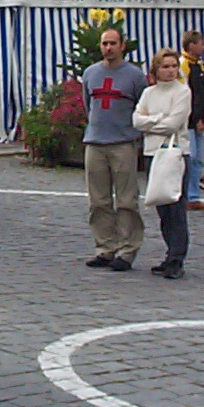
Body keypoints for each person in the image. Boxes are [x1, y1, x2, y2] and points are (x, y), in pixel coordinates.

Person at [81, 28, 147, 271]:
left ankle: (127, 250)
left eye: (113, 43)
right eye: (104, 43)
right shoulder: (91, 73)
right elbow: (88, 104)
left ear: (122, 46)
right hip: (95, 143)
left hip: (123, 144)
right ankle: (105, 247)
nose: (108, 48)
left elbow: (143, 106)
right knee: (98, 201)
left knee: (127, 200)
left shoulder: (134, 76)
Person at [132, 48, 193, 279]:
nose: (170, 71)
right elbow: (136, 120)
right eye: (165, 66)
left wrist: (152, 121)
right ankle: (170, 254)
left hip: (175, 152)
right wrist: (158, 119)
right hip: (152, 153)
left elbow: (173, 124)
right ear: (156, 69)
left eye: (173, 66)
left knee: (175, 206)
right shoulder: (149, 93)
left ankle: (177, 258)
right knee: (162, 207)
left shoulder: (182, 92)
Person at [180, 30, 204, 212]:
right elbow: (185, 95)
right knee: (189, 159)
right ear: (191, 45)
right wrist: (194, 118)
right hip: (188, 121)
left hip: (197, 118)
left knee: (197, 159)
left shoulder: (199, 65)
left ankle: (194, 195)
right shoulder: (183, 65)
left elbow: (202, 94)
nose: (203, 46)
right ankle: (187, 195)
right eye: (201, 43)